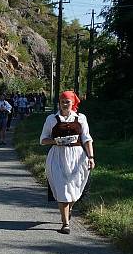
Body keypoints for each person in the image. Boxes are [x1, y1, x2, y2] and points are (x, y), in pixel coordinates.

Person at [40, 91, 95, 234]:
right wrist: (55, 141)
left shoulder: (81, 118)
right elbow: (43, 140)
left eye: (68, 101)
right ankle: (65, 223)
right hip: (58, 156)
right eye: (62, 101)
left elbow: (87, 139)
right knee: (62, 189)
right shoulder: (52, 119)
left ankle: (69, 208)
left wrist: (91, 157)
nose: (65, 104)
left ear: (73, 103)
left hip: (77, 158)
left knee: (74, 189)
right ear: (59, 103)